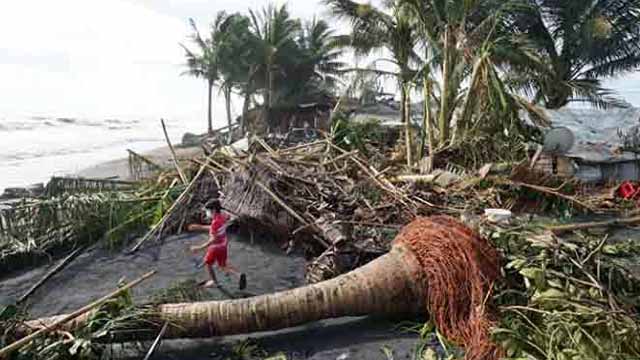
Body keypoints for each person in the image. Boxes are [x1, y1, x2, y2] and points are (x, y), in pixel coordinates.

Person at [190, 199, 247, 289]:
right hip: (223, 245)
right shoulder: (222, 217)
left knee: (208, 264)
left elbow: (213, 238)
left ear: (213, 210)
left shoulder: (214, 223)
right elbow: (216, 228)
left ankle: (214, 282)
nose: (207, 213)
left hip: (215, 247)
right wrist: (199, 227)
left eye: (207, 211)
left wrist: (199, 248)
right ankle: (238, 274)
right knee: (223, 265)